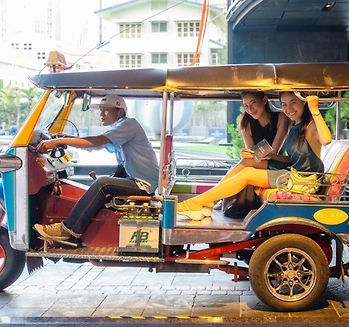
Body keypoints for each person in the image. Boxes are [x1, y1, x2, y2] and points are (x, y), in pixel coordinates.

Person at [177, 93, 332, 220]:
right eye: (284, 104)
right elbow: (291, 159)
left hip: (304, 181)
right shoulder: (294, 126)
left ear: (303, 103)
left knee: (247, 174)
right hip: (293, 173)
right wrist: (269, 156)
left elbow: (326, 140)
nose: (288, 109)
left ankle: (196, 202)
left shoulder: (310, 126)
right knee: (247, 161)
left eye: (293, 103)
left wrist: (315, 110)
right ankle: (207, 201)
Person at [34, 94, 159, 246]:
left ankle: (69, 230)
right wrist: (63, 137)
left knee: (102, 183)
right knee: (101, 184)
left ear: (119, 112)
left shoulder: (129, 125)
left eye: (106, 110)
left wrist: (57, 141)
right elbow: (99, 145)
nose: (101, 113)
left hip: (143, 185)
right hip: (137, 180)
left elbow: (95, 142)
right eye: (100, 110)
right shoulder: (120, 129)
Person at [239, 91, 290, 158]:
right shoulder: (246, 124)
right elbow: (253, 157)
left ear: (264, 100)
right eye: (246, 105)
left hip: (279, 163)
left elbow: (274, 153)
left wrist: (254, 154)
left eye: (253, 102)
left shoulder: (281, 117)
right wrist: (250, 154)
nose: (250, 109)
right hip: (259, 164)